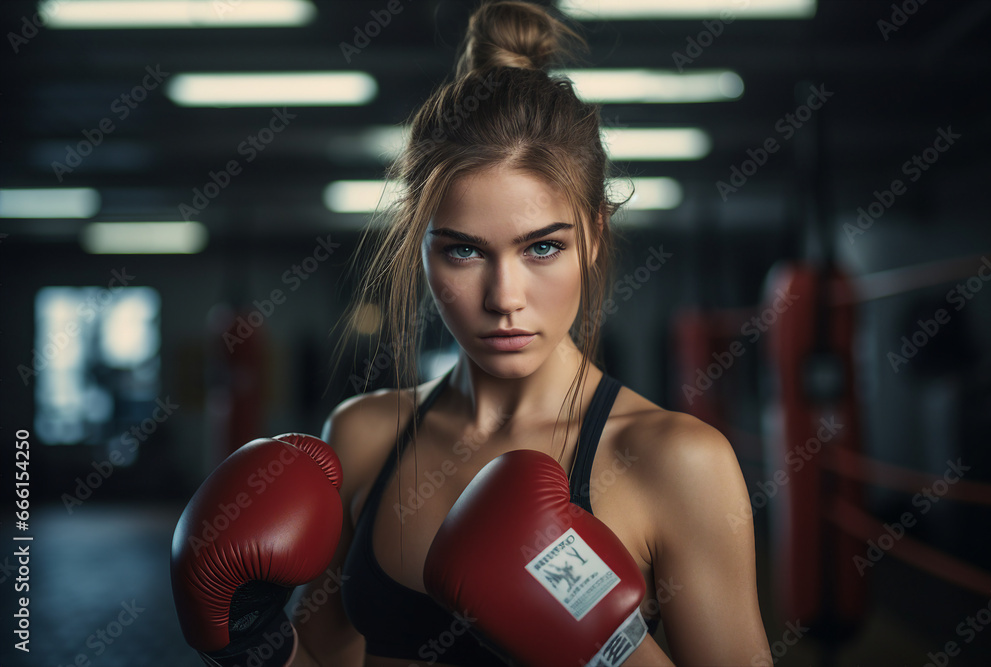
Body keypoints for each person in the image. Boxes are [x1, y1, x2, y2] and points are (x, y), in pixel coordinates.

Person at [169, 2, 772, 665]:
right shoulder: (365, 436)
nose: (504, 298)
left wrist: (611, 642)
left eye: (542, 248)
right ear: (420, 247)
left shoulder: (677, 461)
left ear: (595, 236)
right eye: (463, 251)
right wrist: (255, 639)